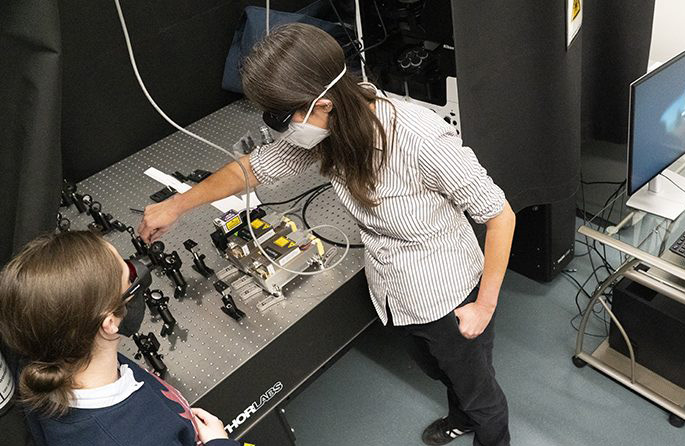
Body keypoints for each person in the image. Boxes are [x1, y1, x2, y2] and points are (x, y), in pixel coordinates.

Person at [139, 23, 516, 446]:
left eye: (283, 117)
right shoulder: (325, 132)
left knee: (480, 394)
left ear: (323, 103)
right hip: (394, 290)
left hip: (449, 294)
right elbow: (253, 169)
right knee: (437, 369)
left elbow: (500, 215)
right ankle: (460, 414)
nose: (280, 130)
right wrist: (178, 203)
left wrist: (483, 307)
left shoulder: (420, 138)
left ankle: (481, 426)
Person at [0, 231, 237, 446]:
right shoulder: (128, 438)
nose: (138, 274)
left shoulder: (48, 358)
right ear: (109, 322)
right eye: (130, 279)